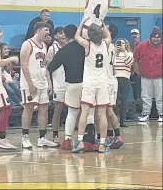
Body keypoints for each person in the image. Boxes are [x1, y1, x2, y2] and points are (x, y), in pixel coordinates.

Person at [48, 24, 98, 151]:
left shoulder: (63, 50)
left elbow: (50, 67)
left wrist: (50, 84)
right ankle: (89, 139)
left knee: (72, 113)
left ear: (65, 34)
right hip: (87, 83)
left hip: (71, 85)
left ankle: (67, 140)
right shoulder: (85, 47)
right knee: (90, 112)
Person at [72, 18, 111, 154]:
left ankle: (80, 141)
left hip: (89, 82)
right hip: (102, 82)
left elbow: (76, 36)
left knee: (85, 112)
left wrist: (82, 22)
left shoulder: (87, 45)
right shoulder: (106, 43)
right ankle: (102, 143)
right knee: (102, 113)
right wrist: (102, 23)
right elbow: (108, 35)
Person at [20, 21, 58, 149]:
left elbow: (44, 66)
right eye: (46, 30)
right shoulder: (27, 44)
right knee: (29, 108)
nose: (48, 33)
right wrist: (30, 84)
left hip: (42, 81)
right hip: (30, 82)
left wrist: (49, 82)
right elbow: (23, 65)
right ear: (38, 30)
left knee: (44, 108)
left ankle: (42, 138)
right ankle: (25, 137)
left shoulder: (44, 46)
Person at [133, 26, 162, 122]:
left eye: (158, 37)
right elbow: (135, 59)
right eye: (154, 37)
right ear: (150, 37)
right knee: (145, 96)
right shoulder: (141, 46)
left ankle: (161, 114)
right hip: (145, 76)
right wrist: (138, 71)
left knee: (160, 96)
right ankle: (145, 114)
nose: (156, 39)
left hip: (160, 77)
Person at [46, 27, 67, 144]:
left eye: (64, 33)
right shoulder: (52, 49)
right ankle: (55, 134)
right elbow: (47, 68)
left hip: (70, 82)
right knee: (58, 109)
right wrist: (50, 83)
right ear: (55, 36)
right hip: (58, 83)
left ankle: (72, 135)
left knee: (75, 109)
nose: (63, 35)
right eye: (60, 33)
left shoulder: (70, 47)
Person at [114, 39, 134, 127]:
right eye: (119, 43)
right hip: (115, 78)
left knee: (124, 100)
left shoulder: (129, 54)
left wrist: (124, 51)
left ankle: (122, 121)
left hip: (125, 78)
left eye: (123, 43)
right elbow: (111, 63)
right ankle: (114, 120)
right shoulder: (114, 54)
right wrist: (115, 52)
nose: (121, 45)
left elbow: (129, 63)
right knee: (115, 100)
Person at [130, 29, 141, 101]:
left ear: (139, 35)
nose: (134, 36)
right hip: (131, 72)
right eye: (133, 34)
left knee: (139, 91)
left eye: (136, 34)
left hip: (140, 72)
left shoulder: (142, 46)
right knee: (134, 90)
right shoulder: (129, 46)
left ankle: (140, 109)